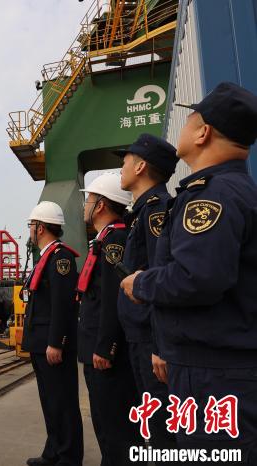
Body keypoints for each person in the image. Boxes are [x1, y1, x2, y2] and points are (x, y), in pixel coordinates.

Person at [121, 82, 257, 456]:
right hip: (214, 368)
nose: (181, 128)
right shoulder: (230, 189)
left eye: (188, 119)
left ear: (202, 132)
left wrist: (142, 283)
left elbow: (198, 278)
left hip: (213, 375)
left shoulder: (212, 195)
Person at [115, 133, 178, 453]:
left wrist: (159, 345)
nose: (120, 169)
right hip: (140, 337)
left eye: (124, 162)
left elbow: (161, 282)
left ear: (140, 167)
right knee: (154, 429)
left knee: (164, 431)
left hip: (150, 341)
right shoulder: (142, 212)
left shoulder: (155, 213)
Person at [78, 172, 139, 465]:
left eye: (89, 199)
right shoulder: (104, 240)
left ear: (100, 205)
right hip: (95, 346)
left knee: (116, 428)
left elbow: (113, 298)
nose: (85, 205)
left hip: (104, 351)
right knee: (105, 423)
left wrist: (106, 347)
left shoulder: (115, 240)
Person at [22, 201, 83, 466]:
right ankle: (53, 452)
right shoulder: (47, 256)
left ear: (41, 227)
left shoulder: (60, 258)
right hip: (40, 342)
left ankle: (68, 457)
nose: (30, 231)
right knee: (50, 402)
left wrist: (57, 342)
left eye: (31, 226)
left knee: (63, 402)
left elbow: (62, 304)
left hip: (52, 344)